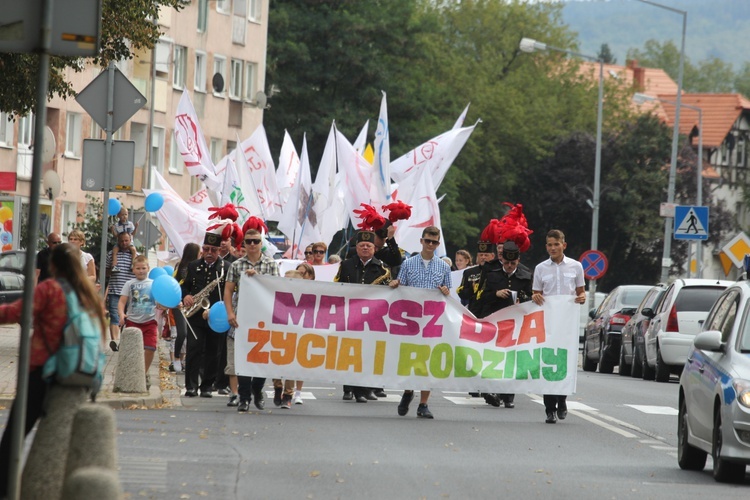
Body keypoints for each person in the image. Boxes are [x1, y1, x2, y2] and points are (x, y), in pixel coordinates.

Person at [0, 243, 106, 498]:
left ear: (53, 265)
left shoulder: (49, 288)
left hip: (43, 369)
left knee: (14, 433)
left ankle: (3, 488)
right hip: (76, 372)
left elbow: (16, 312)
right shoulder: (86, 292)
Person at [389, 226, 451, 419]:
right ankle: (408, 391)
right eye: (427, 241)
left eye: (434, 242)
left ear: (438, 244)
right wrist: (394, 285)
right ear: (421, 241)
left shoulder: (444, 267)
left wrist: (446, 292)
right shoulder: (408, 263)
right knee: (410, 358)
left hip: (432, 320)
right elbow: (401, 288)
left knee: (428, 361)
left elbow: (448, 293)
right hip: (412, 319)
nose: (430, 245)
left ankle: (423, 403)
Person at [531, 229, 585, 424]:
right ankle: (549, 409)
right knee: (547, 362)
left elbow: (580, 292)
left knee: (564, 361)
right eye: (549, 245)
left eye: (556, 244)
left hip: (567, 324)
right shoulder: (540, 268)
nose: (553, 248)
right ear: (546, 247)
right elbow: (536, 293)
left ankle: (562, 400)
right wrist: (535, 296)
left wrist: (582, 297)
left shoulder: (576, 267)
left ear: (564, 245)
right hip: (548, 323)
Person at [471, 241, 533, 408]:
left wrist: (523, 300)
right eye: (506, 263)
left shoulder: (526, 275)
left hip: (515, 323)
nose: (510, 266)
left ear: (518, 261)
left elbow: (532, 298)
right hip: (494, 320)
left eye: (513, 263)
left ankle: (508, 395)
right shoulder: (491, 273)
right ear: (502, 260)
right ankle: (492, 390)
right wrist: (496, 294)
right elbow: (479, 296)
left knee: (511, 357)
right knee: (493, 356)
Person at [225, 227, 280, 412]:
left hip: (263, 319)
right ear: (244, 244)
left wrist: (259, 279)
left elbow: (277, 290)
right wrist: (230, 313)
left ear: (261, 243)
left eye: (256, 241)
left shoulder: (271, 265)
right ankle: (244, 397)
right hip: (241, 319)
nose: (252, 244)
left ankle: (258, 390)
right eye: (249, 241)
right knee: (242, 360)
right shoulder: (236, 265)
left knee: (260, 360)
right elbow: (228, 291)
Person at [335, 230, 392, 403]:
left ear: (374, 248)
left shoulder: (383, 268)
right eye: (362, 246)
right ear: (356, 248)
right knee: (349, 351)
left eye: (369, 246)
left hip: (371, 318)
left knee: (366, 352)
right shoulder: (345, 265)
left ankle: (363, 389)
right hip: (350, 315)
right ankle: (349, 388)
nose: (365, 248)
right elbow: (336, 286)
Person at [181, 229, 232, 398]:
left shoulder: (226, 268)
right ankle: (191, 386)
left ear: (219, 250)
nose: (209, 253)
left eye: (214, 250)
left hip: (217, 316)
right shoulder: (193, 266)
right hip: (195, 315)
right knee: (194, 349)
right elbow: (184, 285)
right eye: (206, 249)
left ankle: (207, 386)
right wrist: (186, 295)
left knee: (213, 351)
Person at [118, 255, 159, 378]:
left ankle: (142, 374)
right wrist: (121, 314)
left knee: (150, 348)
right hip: (132, 321)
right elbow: (121, 302)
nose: (141, 271)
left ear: (148, 268)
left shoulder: (153, 284)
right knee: (132, 351)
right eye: (138, 268)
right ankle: (131, 373)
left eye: (143, 268)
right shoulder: (129, 284)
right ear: (133, 269)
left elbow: (160, 301)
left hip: (150, 321)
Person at [172, 242, 201, 373]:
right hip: (178, 303)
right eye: (199, 251)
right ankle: (176, 357)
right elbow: (177, 285)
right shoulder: (181, 267)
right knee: (182, 332)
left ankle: (186, 360)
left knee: (192, 334)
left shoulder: (198, 266)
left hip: (192, 305)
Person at [105, 231, 137, 352]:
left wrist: (133, 253)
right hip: (115, 289)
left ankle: (123, 341)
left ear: (130, 241)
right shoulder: (111, 254)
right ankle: (115, 341)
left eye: (126, 241)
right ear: (118, 241)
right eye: (122, 241)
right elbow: (107, 271)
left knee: (128, 317)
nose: (124, 243)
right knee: (114, 315)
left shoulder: (135, 254)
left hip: (130, 292)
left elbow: (138, 271)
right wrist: (112, 269)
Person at [293, 262, 317, 404]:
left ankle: (298, 393)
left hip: (306, 328)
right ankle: (284, 389)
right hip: (291, 327)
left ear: (311, 276)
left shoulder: (317, 290)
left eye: (303, 274)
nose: (300, 277)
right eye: (298, 273)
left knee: (301, 361)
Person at [456, 240, 495, 308]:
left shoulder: (498, 271)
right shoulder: (469, 272)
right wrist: (472, 289)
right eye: (481, 255)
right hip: (474, 310)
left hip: (492, 309)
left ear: (492, 256)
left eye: (486, 255)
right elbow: (461, 294)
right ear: (477, 256)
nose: (483, 257)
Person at [110, 206, 138, 273]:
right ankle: (114, 265)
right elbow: (116, 235)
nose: (124, 216)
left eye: (126, 214)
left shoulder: (130, 224)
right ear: (118, 216)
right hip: (120, 242)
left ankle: (133, 264)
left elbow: (132, 234)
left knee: (133, 250)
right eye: (122, 215)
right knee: (114, 251)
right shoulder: (117, 225)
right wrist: (113, 230)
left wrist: (136, 227)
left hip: (129, 242)